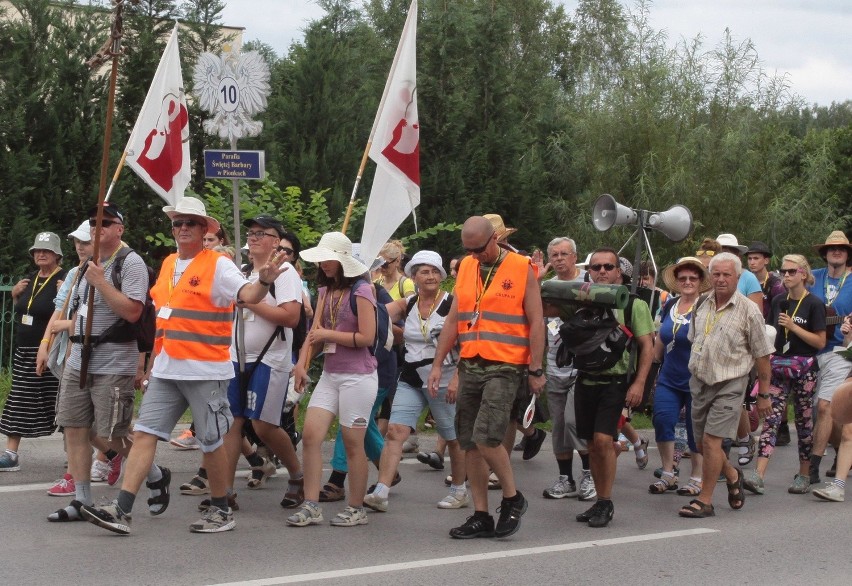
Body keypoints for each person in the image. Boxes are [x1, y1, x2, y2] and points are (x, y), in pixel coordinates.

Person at [81, 197, 287, 535]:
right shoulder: (167, 263)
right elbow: (162, 319)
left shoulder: (219, 264)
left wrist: (263, 281)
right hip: (167, 369)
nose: (183, 228)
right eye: (178, 223)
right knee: (146, 434)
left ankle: (221, 509)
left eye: (190, 222)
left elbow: (248, 295)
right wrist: (149, 364)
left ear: (205, 229)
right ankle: (121, 508)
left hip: (205, 370)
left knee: (212, 442)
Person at [427, 216, 545, 539]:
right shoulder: (466, 267)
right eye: (469, 250)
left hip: (506, 365)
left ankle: (512, 497)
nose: (475, 255)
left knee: (487, 436)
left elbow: (537, 322)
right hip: (470, 363)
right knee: (469, 444)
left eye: (479, 249)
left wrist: (536, 368)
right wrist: (439, 364)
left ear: (495, 239)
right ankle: (481, 515)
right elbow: (454, 320)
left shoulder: (522, 267)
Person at [46, 203, 162, 524]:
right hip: (79, 359)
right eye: (93, 224)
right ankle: (82, 499)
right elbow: (79, 312)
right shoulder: (88, 264)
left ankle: (154, 473)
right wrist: (71, 350)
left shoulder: (131, 262)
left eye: (106, 224)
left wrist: (102, 282)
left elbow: (133, 312)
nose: (98, 230)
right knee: (75, 428)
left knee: (112, 432)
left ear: (119, 229)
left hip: (113, 360)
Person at [364, 251, 468, 512]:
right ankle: (381, 491)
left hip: (444, 378)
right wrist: (365, 282)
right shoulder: (407, 304)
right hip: (411, 376)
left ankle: (459, 490)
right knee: (395, 431)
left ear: (442, 275)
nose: (431, 276)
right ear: (414, 276)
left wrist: (457, 378)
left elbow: (468, 345)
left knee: (452, 437)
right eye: (424, 271)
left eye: (434, 271)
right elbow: (372, 312)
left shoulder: (453, 304)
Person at [287, 232, 378, 528]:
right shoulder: (325, 291)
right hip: (330, 374)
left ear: (342, 261)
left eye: (329, 259)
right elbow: (313, 335)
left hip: (359, 377)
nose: (324, 264)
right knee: (311, 437)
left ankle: (356, 507)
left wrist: (329, 335)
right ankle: (311, 505)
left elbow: (367, 336)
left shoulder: (363, 290)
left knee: (354, 443)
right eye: (322, 259)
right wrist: (301, 364)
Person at [678, 252, 773, 518]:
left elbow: (762, 356)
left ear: (738, 277)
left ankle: (705, 500)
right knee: (703, 443)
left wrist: (763, 395)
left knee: (711, 442)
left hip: (730, 384)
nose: (720, 279)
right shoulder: (701, 303)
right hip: (700, 382)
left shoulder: (749, 311)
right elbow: (694, 339)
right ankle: (732, 475)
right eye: (716, 274)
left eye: (726, 274)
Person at [221, 215, 305, 512]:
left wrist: (250, 302)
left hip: (270, 359)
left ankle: (297, 475)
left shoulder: (285, 273)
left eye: (262, 233)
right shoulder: (241, 273)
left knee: (264, 426)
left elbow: (291, 317)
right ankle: (225, 492)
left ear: (275, 241)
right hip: (235, 358)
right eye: (251, 232)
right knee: (230, 424)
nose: (254, 237)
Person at [567, 248, 654, 527]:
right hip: (585, 379)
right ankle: (598, 502)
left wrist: (639, 383)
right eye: (596, 267)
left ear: (619, 271)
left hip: (615, 383)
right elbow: (547, 308)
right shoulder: (581, 299)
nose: (602, 271)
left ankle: (605, 501)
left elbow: (647, 346)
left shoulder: (633, 304)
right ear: (589, 271)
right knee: (592, 445)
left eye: (608, 266)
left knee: (604, 442)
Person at [743, 255, 825, 495]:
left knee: (804, 422)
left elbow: (820, 341)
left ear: (803, 274)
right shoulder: (779, 301)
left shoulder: (814, 304)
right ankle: (758, 475)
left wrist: (793, 327)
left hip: (805, 370)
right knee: (770, 418)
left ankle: (804, 474)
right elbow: (768, 334)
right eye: (784, 271)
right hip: (778, 367)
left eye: (791, 271)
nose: (786, 276)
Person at [0, 232, 66, 472]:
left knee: (59, 403)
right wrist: (15, 296)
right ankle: (11, 454)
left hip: (53, 352)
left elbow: (67, 313)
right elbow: (24, 311)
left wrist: (65, 296)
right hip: (24, 351)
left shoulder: (64, 279)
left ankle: (79, 453)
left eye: (46, 251)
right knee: (19, 398)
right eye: (37, 250)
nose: (40, 254)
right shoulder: (30, 279)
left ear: (57, 255)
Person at [539, 237, 596, 501]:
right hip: (554, 366)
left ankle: (589, 474)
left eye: (564, 254)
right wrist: (536, 369)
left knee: (575, 422)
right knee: (559, 426)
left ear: (575, 256)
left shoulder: (589, 282)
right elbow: (538, 327)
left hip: (582, 365)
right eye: (555, 255)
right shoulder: (546, 286)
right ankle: (565, 479)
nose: (559, 258)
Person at [649, 257, 709, 497]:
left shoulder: (706, 306)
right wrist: (651, 369)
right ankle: (668, 473)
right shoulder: (670, 304)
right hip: (669, 377)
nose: (687, 282)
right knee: (662, 419)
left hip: (697, 379)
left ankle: (697, 476)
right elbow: (661, 338)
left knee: (696, 430)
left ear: (700, 281)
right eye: (682, 278)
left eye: (692, 278)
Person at [807, 231, 852, 484]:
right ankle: (842, 451)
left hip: (840, 351)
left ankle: (812, 467)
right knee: (822, 413)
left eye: (842, 249)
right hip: (810, 350)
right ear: (825, 253)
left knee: (826, 406)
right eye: (832, 248)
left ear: (847, 254)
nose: (837, 252)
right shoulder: (813, 277)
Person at [746, 241, 785, 320]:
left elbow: (781, 313)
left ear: (766, 261)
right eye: (749, 259)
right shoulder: (745, 281)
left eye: (756, 258)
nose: (752, 262)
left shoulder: (776, 285)